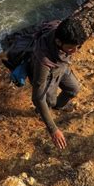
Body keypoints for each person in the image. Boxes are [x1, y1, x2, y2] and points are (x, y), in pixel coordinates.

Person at [28, 18, 84, 150]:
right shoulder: (43, 61)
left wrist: (69, 52)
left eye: (77, 47)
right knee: (48, 101)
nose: (75, 51)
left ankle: (56, 107)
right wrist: (53, 130)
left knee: (73, 89)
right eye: (71, 48)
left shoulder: (63, 31)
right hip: (49, 74)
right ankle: (44, 111)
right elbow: (37, 96)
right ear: (58, 42)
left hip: (61, 67)